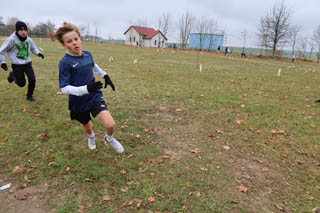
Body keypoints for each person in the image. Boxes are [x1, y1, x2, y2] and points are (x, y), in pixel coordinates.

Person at [55, 22, 124, 153]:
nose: (74, 43)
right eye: (69, 41)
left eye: (76, 39)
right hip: (78, 101)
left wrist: (105, 75)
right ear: (64, 45)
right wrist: (85, 89)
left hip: (94, 96)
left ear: (80, 39)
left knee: (110, 124)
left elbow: (93, 65)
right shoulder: (64, 63)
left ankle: (109, 138)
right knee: (87, 125)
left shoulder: (87, 54)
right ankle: (91, 136)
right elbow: (64, 88)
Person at [0, 21, 44, 102]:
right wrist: (3, 62)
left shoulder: (28, 39)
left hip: (27, 63)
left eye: (25, 30)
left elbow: (33, 48)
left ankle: (29, 96)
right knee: (21, 84)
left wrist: (38, 53)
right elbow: (1, 51)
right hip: (16, 65)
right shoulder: (11, 40)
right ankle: (12, 74)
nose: (23, 32)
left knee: (32, 80)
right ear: (17, 30)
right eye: (21, 30)